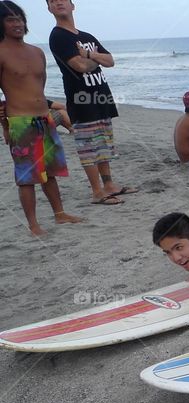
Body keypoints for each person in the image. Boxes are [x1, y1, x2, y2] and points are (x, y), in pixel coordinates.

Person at [0, 1, 82, 236]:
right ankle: (33, 224)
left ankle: (60, 213)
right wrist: (5, 125)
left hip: (44, 120)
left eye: (19, 19)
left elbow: (40, 88)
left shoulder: (37, 52)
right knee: (27, 178)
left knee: (50, 172)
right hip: (20, 122)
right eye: (10, 20)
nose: (17, 24)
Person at [47, 0, 137, 205]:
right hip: (81, 100)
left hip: (101, 96)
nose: (58, 2)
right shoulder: (58, 36)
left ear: (72, 5)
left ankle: (109, 185)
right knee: (88, 148)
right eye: (52, 0)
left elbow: (110, 61)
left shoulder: (87, 37)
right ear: (49, 8)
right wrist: (95, 60)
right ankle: (97, 191)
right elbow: (80, 67)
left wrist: (88, 54)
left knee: (103, 144)